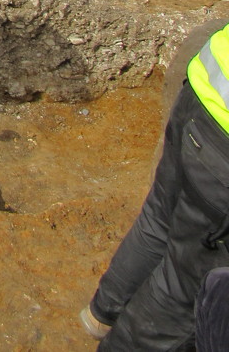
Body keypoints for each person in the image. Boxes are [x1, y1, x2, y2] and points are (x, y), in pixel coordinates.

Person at [80, 23, 229, 349]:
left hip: (207, 82)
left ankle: (102, 313)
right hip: (222, 153)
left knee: (160, 216)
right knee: (185, 289)